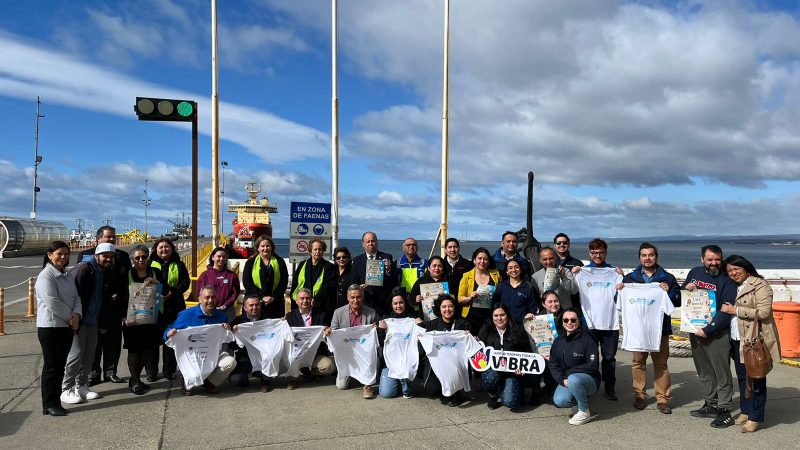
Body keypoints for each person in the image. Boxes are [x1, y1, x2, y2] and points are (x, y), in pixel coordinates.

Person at [720, 255, 781, 433]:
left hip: (753, 340)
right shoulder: (733, 286)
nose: (733, 273)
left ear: (746, 268)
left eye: (736, 269)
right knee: (741, 377)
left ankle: (755, 417)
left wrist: (736, 310)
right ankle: (746, 411)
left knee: (756, 379)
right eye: (730, 270)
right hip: (736, 338)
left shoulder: (760, 285)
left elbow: (763, 312)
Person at [617, 243, 681, 414]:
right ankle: (639, 395)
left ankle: (662, 398)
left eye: (651, 255)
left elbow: (677, 300)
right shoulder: (630, 279)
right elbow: (619, 301)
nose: (647, 258)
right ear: (639, 257)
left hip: (660, 330)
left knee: (661, 364)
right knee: (638, 363)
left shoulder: (667, 278)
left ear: (656, 256)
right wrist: (620, 291)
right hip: (638, 330)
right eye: (644, 255)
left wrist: (669, 292)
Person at [683, 244, 738, 428]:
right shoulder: (695, 272)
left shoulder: (727, 280)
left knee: (721, 372)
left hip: (717, 334)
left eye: (717, 259)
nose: (714, 263)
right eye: (710, 259)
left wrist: (708, 329)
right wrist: (687, 287)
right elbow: (683, 297)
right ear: (702, 259)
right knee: (704, 370)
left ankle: (725, 410)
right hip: (695, 330)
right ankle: (710, 403)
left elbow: (726, 311)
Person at [61, 243, 116, 404]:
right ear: (97, 255)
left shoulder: (102, 271)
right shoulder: (83, 269)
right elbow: (72, 296)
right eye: (105, 256)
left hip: (93, 320)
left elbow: (103, 298)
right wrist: (74, 318)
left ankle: (82, 385)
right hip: (78, 320)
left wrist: (103, 322)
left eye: (111, 257)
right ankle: (67, 388)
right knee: (75, 355)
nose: (108, 259)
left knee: (89, 355)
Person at [76, 226, 131, 387]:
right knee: (93, 343)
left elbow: (126, 282)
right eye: (108, 237)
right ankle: (94, 373)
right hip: (95, 306)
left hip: (115, 306)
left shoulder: (123, 256)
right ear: (98, 239)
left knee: (113, 341)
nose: (112, 239)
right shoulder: (85, 255)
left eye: (114, 237)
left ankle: (110, 372)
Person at [570, 238, 624, 401]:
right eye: (594, 252)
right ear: (589, 253)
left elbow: (622, 294)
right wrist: (573, 274)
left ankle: (610, 388)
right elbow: (570, 290)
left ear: (606, 252)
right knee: (589, 358)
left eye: (600, 252)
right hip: (589, 322)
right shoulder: (582, 272)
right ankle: (589, 387)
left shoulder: (615, 272)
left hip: (610, 323)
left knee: (609, 358)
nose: (597, 255)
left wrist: (623, 280)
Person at [36, 241, 81, 416]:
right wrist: (72, 317)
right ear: (50, 255)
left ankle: (54, 400)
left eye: (66, 254)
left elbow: (77, 297)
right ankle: (49, 403)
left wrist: (76, 314)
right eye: (59, 254)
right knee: (52, 366)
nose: (63, 257)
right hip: (51, 327)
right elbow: (52, 302)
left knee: (60, 365)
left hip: (67, 326)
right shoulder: (46, 276)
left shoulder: (67, 274)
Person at [165, 285, 236, 395]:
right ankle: (186, 380)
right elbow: (169, 329)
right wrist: (169, 333)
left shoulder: (222, 317)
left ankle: (208, 382)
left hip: (213, 353)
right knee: (194, 376)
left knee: (230, 362)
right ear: (199, 299)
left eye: (213, 297)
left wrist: (229, 329)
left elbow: (228, 337)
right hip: (193, 354)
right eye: (207, 297)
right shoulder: (186, 315)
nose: (210, 300)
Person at [146, 238, 190, 382]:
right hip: (154, 307)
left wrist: (172, 292)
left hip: (174, 305)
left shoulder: (179, 264)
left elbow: (185, 282)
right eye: (161, 247)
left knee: (171, 339)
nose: (164, 249)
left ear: (172, 249)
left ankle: (169, 370)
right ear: (155, 250)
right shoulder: (148, 265)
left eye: (167, 247)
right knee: (152, 340)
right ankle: (151, 371)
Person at [549, 308, 601, 425]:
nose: (569, 323)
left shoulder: (588, 340)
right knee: (559, 401)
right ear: (562, 322)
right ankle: (580, 397)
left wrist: (570, 374)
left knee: (574, 379)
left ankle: (584, 411)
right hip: (568, 380)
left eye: (573, 320)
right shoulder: (558, 341)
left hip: (589, 380)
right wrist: (562, 380)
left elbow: (593, 365)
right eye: (566, 320)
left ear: (578, 321)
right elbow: (553, 364)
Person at [327, 284, 380, 399]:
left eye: (358, 297)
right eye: (352, 297)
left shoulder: (371, 313)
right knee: (341, 386)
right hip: (347, 353)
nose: (355, 300)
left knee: (371, 361)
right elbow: (334, 332)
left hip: (364, 353)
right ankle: (350, 373)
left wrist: (379, 327)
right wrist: (329, 333)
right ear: (348, 298)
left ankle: (367, 386)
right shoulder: (338, 313)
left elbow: (379, 330)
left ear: (363, 297)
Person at [123, 244, 163, 395]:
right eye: (137, 257)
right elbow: (120, 296)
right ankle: (134, 381)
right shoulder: (126, 274)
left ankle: (136, 379)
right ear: (132, 259)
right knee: (134, 350)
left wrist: (156, 283)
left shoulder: (155, 272)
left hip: (151, 317)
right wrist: (123, 317)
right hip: (132, 319)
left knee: (147, 349)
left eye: (144, 256)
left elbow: (164, 290)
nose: (141, 259)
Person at [419, 294, 471, 406]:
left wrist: (469, 337)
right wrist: (418, 334)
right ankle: (444, 390)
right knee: (433, 390)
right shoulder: (431, 325)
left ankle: (457, 391)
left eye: (450, 306)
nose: (447, 309)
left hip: (456, 364)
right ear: (439, 309)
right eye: (444, 307)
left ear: (455, 308)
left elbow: (468, 347)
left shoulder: (463, 324)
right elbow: (418, 334)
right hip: (437, 364)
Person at [477, 304, 531, 411]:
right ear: (492, 317)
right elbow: (478, 351)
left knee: (510, 402)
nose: (499, 318)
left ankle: (511, 388)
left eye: (502, 315)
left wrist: (523, 368)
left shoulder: (518, 330)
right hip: (493, 370)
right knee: (490, 378)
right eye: (496, 315)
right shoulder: (486, 330)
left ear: (508, 315)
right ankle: (493, 395)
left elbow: (527, 352)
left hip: (512, 373)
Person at [284, 288, 335, 389]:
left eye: (307, 298)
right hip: (296, 353)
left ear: (311, 300)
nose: (305, 301)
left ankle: (308, 372)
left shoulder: (322, 314)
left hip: (315, 353)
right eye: (302, 298)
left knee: (329, 366)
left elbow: (327, 334)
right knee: (289, 357)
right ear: (296, 301)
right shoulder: (289, 316)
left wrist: (327, 332)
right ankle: (295, 378)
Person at [377, 287, 419, 399]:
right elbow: (381, 344)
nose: (398, 306)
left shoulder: (413, 319)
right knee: (387, 394)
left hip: (407, 362)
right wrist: (381, 330)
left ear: (405, 303)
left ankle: (405, 382)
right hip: (390, 364)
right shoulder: (387, 320)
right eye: (395, 303)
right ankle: (400, 381)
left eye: (401, 302)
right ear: (391, 305)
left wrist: (420, 325)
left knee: (405, 376)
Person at [229, 294, 272, 392]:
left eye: (257, 305)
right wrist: (234, 334)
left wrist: (281, 323)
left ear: (260, 306)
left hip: (264, 356)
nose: (255, 308)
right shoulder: (237, 322)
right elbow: (231, 346)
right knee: (236, 381)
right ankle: (246, 377)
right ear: (245, 307)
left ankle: (265, 380)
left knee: (271, 358)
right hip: (245, 357)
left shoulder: (269, 319)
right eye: (251, 305)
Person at [242, 235, 289, 319]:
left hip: (275, 303)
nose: (265, 248)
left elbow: (284, 281)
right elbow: (247, 282)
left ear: (272, 247)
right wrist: (261, 297)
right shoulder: (251, 262)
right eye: (262, 246)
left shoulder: (280, 261)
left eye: (268, 246)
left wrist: (273, 297)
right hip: (255, 303)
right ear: (258, 248)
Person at [350, 231, 395, 316]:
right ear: (363, 244)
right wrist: (359, 288)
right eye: (368, 241)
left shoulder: (387, 257)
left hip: (383, 304)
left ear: (377, 242)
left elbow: (393, 281)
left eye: (373, 241)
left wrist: (388, 270)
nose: (370, 243)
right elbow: (353, 282)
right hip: (364, 303)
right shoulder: (356, 260)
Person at [459, 247, 501, 333]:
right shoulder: (466, 276)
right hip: (472, 317)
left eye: (485, 259)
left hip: (491, 316)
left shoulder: (496, 274)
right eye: (479, 258)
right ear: (474, 260)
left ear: (488, 261)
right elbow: (460, 298)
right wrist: (470, 297)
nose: (482, 261)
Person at [290, 238, 336, 315]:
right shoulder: (302, 265)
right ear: (310, 251)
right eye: (315, 249)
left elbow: (328, 287)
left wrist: (316, 299)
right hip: (301, 306)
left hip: (319, 307)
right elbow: (295, 284)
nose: (317, 252)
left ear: (323, 251)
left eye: (320, 249)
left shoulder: (329, 267)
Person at [196, 247, 241, 322]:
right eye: (219, 256)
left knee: (229, 331)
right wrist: (209, 305)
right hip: (209, 310)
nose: (221, 259)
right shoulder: (205, 275)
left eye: (224, 257)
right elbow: (199, 293)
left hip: (227, 310)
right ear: (213, 257)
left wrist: (225, 305)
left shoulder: (232, 275)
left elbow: (235, 292)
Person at [493, 259, 538, 325]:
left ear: (520, 269)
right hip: (505, 325)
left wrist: (530, 315)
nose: (513, 270)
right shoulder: (501, 286)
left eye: (516, 267)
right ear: (507, 271)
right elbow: (495, 305)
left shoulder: (528, 287)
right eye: (510, 268)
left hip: (523, 325)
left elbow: (533, 309)